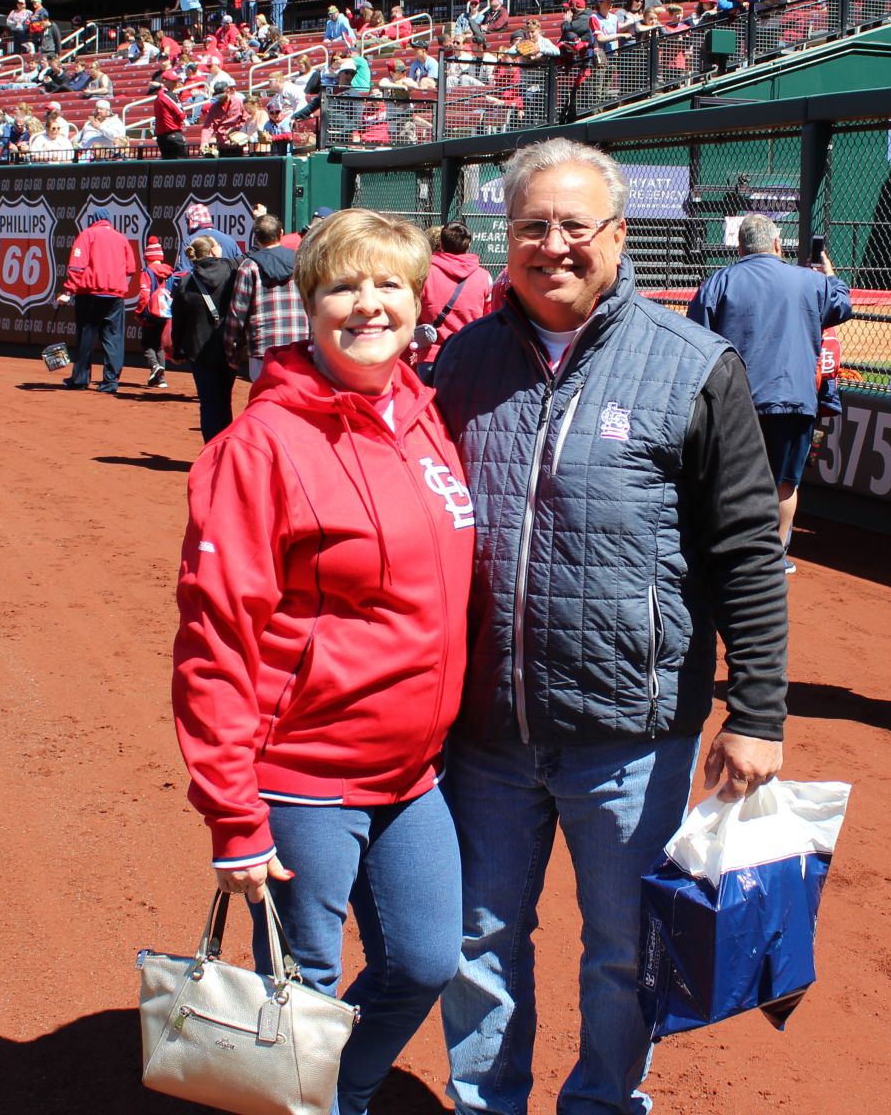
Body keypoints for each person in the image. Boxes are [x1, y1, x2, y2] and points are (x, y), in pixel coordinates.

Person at [431, 137, 789, 1115]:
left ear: (619, 236)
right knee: (476, 939)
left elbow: (747, 549)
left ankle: (601, 1102)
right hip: (487, 729)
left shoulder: (694, 364)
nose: (553, 245)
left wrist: (759, 710)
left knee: (625, 947)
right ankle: (485, 1103)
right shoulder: (460, 363)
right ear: (506, 239)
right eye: (531, 226)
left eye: (574, 225)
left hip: (631, 731)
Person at [174, 209, 474, 1115]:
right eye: (344, 286)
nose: (369, 304)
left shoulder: (424, 416)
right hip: (302, 773)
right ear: (308, 305)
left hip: (413, 772)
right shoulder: (259, 446)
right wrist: (234, 817)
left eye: (390, 285)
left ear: (419, 302)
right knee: (301, 989)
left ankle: (334, 1096)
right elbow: (215, 639)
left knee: (424, 961)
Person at [687, 214, 852, 567]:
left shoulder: (718, 282)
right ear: (777, 244)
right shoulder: (810, 281)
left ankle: (731, 553)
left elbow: (694, 338)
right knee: (784, 483)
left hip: (735, 401)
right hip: (793, 400)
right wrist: (829, 275)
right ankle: (774, 558)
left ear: (741, 247)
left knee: (730, 479)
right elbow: (842, 305)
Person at [54, 213, 137, 393]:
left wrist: (69, 292)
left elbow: (76, 266)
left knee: (86, 337)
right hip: (115, 296)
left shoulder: (87, 235)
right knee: (113, 339)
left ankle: (80, 380)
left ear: (94, 220)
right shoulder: (121, 238)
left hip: (90, 295)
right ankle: (111, 382)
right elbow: (131, 268)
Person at [221, 214, 308, 383]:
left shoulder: (249, 266)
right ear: (281, 233)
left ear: (256, 238)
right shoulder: (301, 262)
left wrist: (232, 353)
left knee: (265, 395)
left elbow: (237, 313)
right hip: (299, 343)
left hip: (263, 346)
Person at [170, 235, 241, 441]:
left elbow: (179, 322)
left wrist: (177, 350)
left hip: (199, 351)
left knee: (209, 403)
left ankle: (211, 448)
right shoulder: (232, 273)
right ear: (212, 251)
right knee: (224, 400)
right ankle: (223, 448)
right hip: (228, 347)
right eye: (217, 245)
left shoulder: (186, 283)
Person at [416, 222, 492, 373]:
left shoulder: (425, 273)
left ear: (441, 244)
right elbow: (488, 318)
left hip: (430, 356)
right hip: (468, 356)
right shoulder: (484, 277)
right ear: (468, 245)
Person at [138, 235, 173, 389]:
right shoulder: (169, 271)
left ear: (148, 257)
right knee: (159, 346)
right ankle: (161, 380)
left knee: (146, 344)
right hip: (166, 315)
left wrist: (139, 312)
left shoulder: (147, 272)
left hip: (150, 314)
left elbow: (144, 296)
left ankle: (155, 366)